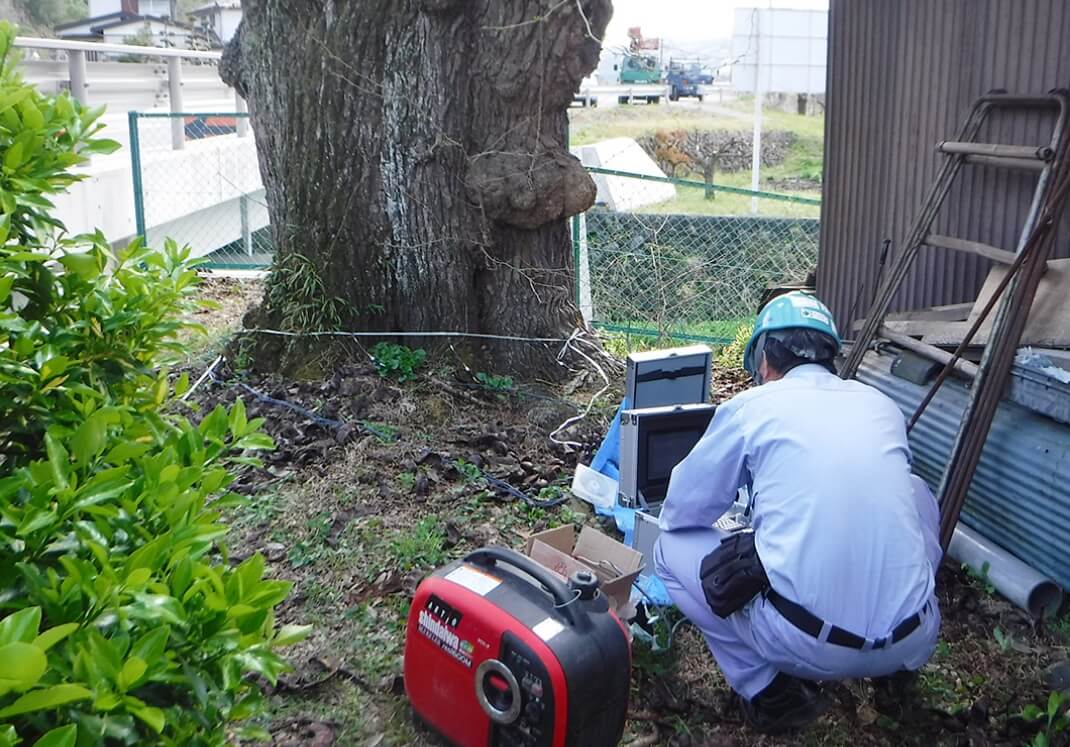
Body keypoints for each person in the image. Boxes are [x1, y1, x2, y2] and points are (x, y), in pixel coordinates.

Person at [653, 291, 942, 734]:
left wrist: (750, 541)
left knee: (668, 547)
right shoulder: (882, 406)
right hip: (915, 635)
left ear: (764, 358)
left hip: (808, 645)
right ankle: (896, 673)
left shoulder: (753, 407)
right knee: (917, 490)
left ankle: (769, 693)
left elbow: (680, 511)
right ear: (830, 356)